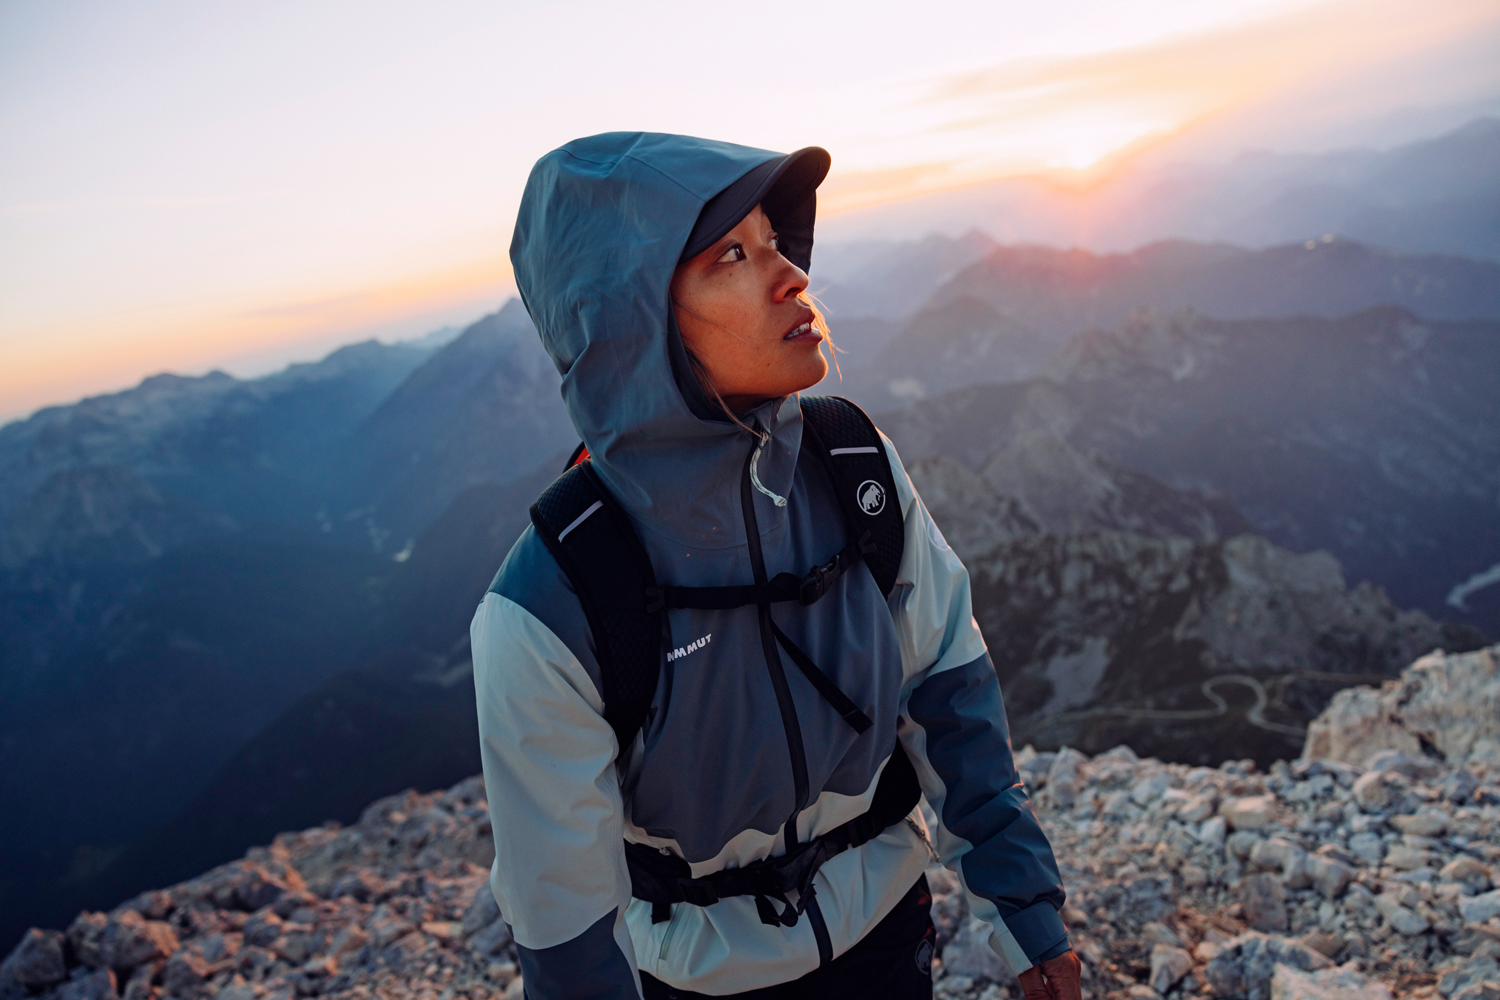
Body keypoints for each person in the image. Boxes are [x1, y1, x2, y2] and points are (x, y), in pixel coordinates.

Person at [471, 132, 1082, 1000]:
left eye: (772, 240)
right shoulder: (549, 604)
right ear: (631, 324)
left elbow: (950, 698)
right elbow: (562, 921)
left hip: (887, 933)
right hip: (700, 981)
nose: (791, 273)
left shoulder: (854, 466)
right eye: (731, 254)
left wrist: (1028, 917)